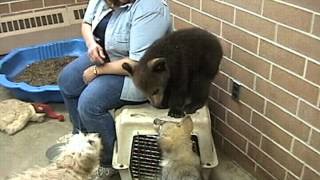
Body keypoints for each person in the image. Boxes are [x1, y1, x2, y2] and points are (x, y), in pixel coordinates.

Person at [46, 0, 172, 179]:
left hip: (141, 75)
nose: (112, 5)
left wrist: (97, 71)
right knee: (67, 81)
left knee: (89, 103)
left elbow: (136, 63)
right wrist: (92, 45)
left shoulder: (151, 8)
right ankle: (80, 138)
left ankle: (107, 161)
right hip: (110, 55)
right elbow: (86, 24)